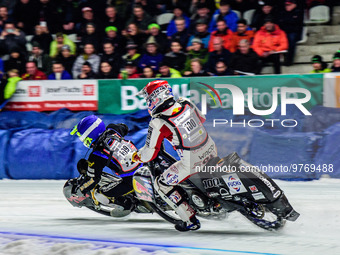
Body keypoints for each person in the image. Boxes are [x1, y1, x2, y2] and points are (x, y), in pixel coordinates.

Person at [126, 80, 218, 231]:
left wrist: (136, 156)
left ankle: (190, 221)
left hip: (191, 162)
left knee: (161, 184)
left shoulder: (158, 122)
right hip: (211, 148)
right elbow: (202, 119)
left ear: (156, 97)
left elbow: (149, 154)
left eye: (148, 99)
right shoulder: (185, 102)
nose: (148, 103)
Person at [70, 116, 141, 216]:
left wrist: (80, 189)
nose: (83, 140)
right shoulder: (113, 129)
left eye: (83, 137)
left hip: (131, 182)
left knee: (100, 193)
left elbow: (93, 179)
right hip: (144, 166)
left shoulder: (97, 154)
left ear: (90, 134)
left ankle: (127, 204)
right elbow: (124, 127)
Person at [277, 0, 304, 66]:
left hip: (294, 32)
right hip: (284, 32)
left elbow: (297, 24)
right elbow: (280, 23)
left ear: (294, 5)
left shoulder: (298, 12)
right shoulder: (283, 13)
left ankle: (289, 60)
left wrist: (287, 22)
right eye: (286, 5)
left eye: (289, 5)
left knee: (291, 39)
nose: (287, 7)